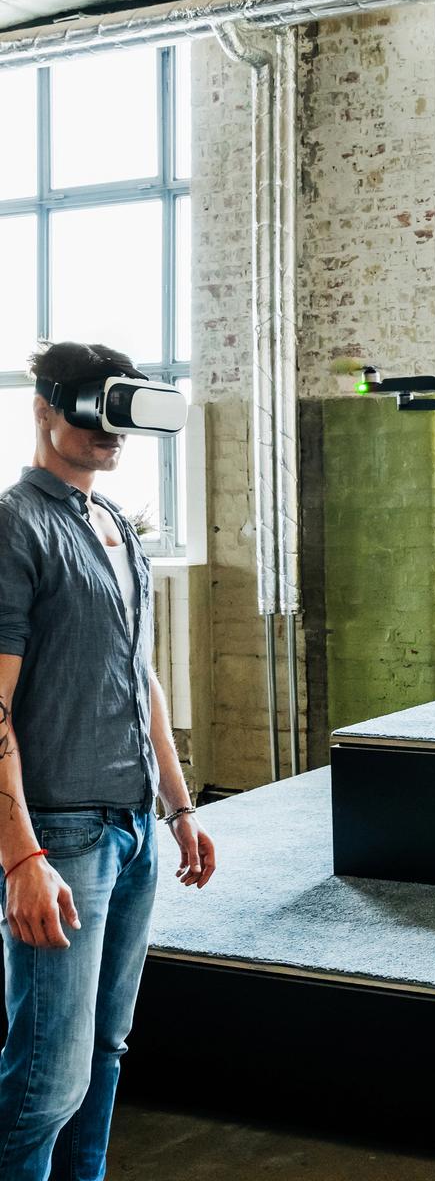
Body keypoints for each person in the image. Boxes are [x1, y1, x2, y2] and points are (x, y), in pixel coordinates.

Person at [0, 342, 215, 1181]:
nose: (111, 432)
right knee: (46, 1078)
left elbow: (140, 672)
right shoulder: (16, 525)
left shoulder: (118, 524)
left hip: (131, 831)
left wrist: (179, 803)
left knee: (104, 1054)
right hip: (59, 836)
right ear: (44, 410)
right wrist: (20, 855)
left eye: (121, 411)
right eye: (93, 409)